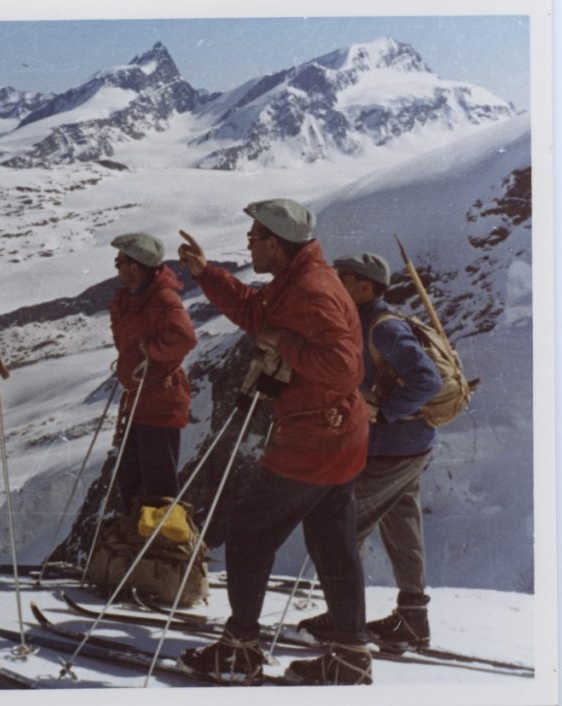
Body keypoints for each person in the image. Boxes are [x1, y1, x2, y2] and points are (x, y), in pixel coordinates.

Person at [175, 199, 373, 686]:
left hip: (312, 438)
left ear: (276, 244)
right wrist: (207, 273)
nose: (248, 241)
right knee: (333, 542)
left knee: (247, 532)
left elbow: (345, 367)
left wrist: (284, 343)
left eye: (255, 235)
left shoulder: (311, 290)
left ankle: (241, 648)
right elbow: (256, 312)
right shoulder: (299, 281)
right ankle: (349, 655)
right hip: (338, 436)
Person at [297, 252, 442, 652]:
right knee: (402, 527)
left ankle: (344, 620)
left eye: (344, 277)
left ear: (365, 286)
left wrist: (385, 413)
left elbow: (427, 380)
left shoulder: (381, 328)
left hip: (391, 448)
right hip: (409, 446)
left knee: (339, 528)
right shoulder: (366, 321)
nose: (336, 283)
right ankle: (412, 618)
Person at [108, 233, 197, 509]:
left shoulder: (163, 300)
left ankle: (161, 543)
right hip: (143, 401)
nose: (117, 267)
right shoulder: (135, 298)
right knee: (132, 479)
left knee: (158, 488)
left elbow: (185, 338)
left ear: (135, 266)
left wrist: (151, 350)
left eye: (119, 262)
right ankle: (141, 537)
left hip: (159, 403)